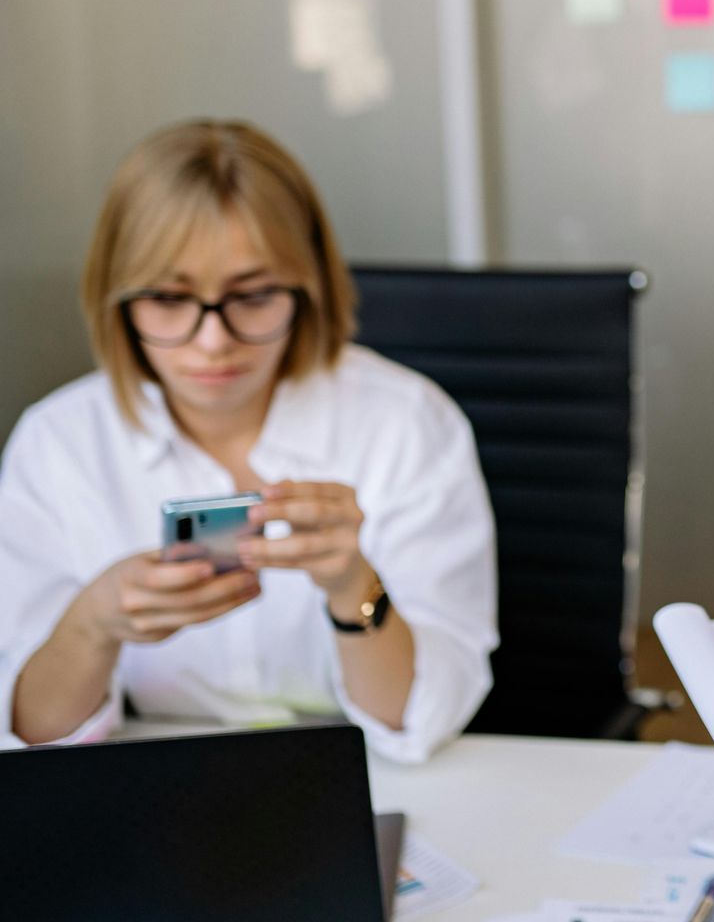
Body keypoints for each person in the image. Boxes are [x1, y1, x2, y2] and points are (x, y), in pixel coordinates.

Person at [0, 121, 496, 764]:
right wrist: (91, 624)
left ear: (308, 288)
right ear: (116, 299)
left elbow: (418, 723)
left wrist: (353, 586)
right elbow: (33, 741)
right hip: (151, 789)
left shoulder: (406, 422)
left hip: (362, 778)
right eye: (170, 298)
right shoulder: (57, 444)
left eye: (254, 296)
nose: (213, 341)